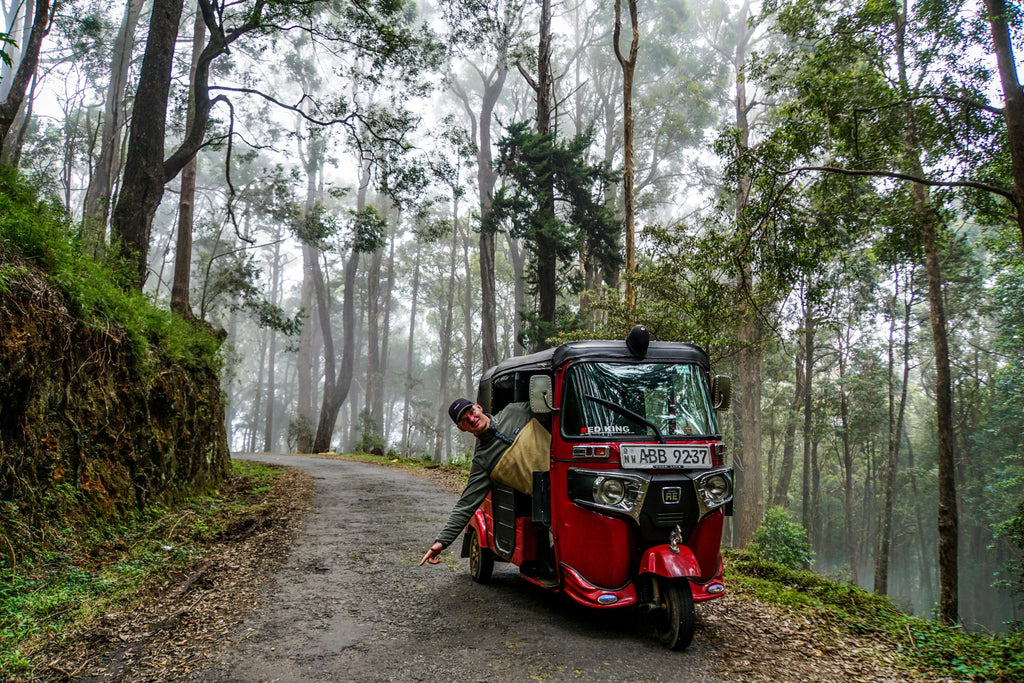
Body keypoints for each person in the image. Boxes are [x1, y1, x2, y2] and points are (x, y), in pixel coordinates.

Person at [419, 397, 535, 566]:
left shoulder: (515, 411)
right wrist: (441, 542)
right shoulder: (482, 461)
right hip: (547, 503)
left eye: (472, 412)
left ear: (479, 407)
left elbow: (551, 411)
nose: (472, 419)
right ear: (462, 428)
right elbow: (466, 504)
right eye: (465, 420)